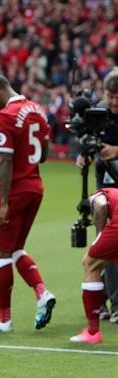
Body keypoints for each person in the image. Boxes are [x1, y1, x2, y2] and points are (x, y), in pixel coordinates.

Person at [0, 74, 56, 333]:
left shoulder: (6, 115)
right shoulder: (37, 110)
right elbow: (44, 155)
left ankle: (4, 319)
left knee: (0, 251)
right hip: (35, 187)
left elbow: (5, 160)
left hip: (16, 190)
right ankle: (42, 293)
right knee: (16, 247)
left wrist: (4, 203)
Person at [75, 70, 118, 324]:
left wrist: (116, 151)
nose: (114, 102)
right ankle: (103, 301)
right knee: (103, 245)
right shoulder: (98, 113)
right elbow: (86, 144)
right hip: (104, 189)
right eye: (110, 96)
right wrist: (83, 156)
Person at [70, 187, 118, 344]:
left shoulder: (98, 196)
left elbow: (101, 205)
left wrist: (97, 240)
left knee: (90, 264)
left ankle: (92, 332)